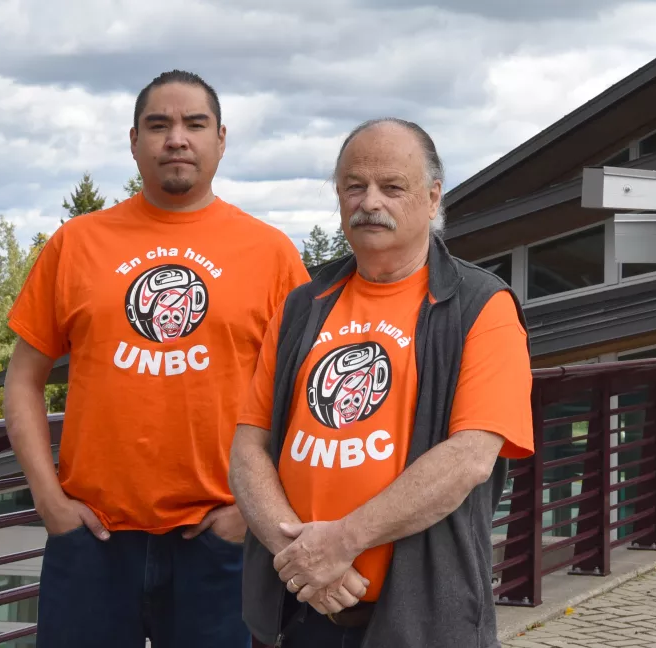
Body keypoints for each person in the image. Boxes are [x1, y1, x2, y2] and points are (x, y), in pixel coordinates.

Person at [3, 69, 310, 648]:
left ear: (221, 140)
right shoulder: (77, 243)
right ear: (134, 140)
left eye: (195, 124)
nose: (177, 138)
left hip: (218, 540)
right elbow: (23, 379)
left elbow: (300, 398)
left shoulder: (270, 253)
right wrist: (48, 499)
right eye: (158, 124)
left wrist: (247, 517)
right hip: (91, 539)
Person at [229, 118, 535, 648]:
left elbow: (469, 458)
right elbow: (248, 448)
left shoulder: (481, 307)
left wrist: (342, 542)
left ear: (433, 197)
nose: (370, 201)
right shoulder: (304, 305)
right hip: (296, 611)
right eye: (354, 185)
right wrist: (303, 559)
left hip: (420, 621)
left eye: (392, 187)